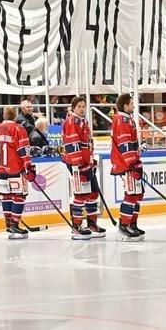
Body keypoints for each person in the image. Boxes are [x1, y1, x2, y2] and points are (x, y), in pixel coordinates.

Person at [0, 106, 36, 239]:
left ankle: (9, 224)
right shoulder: (18, 128)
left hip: (0, 170)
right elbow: (23, 150)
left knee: (6, 197)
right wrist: (29, 167)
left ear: (4, 115)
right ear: (15, 115)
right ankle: (14, 224)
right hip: (15, 169)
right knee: (19, 196)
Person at [62, 96, 104, 240]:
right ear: (73, 108)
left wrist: (91, 161)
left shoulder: (83, 121)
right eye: (79, 106)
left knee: (92, 193)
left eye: (84, 106)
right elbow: (72, 144)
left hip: (87, 163)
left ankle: (91, 223)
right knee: (80, 195)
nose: (82, 109)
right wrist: (79, 165)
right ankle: (77, 227)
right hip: (77, 165)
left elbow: (88, 144)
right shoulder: (71, 121)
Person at [111, 93, 144, 242]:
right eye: (131, 103)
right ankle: (123, 227)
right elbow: (125, 145)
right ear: (125, 105)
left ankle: (132, 224)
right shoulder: (122, 120)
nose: (133, 106)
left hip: (131, 163)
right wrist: (132, 163)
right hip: (126, 165)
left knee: (137, 195)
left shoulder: (127, 119)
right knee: (131, 195)